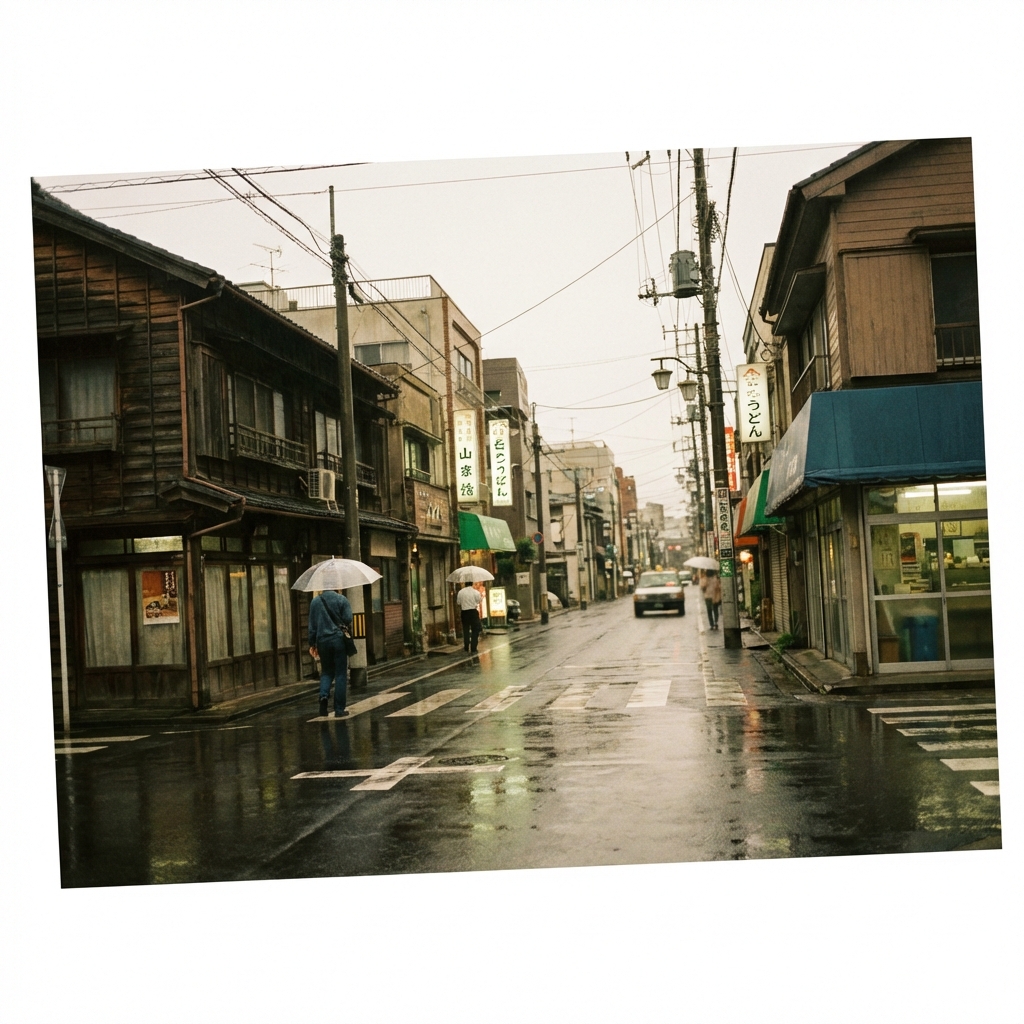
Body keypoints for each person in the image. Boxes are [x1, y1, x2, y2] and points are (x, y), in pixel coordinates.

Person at [308, 588, 354, 717]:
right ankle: (339, 709)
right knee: (340, 673)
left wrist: (312, 643)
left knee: (327, 671)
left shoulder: (315, 602)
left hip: (322, 641)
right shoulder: (342, 599)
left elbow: (312, 626)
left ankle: (323, 697)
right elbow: (348, 618)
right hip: (338, 639)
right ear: (336, 586)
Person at [456, 581, 484, 653]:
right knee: (475, 629)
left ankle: (466, 647)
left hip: (464, 612)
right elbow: (479, 601)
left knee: (466, 630)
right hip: (473, 612)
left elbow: (458, 602)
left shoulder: (461, 592)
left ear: (465, 584)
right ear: (472, 584)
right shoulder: (475, 592)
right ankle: (473, 647)